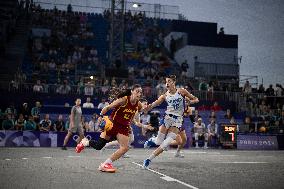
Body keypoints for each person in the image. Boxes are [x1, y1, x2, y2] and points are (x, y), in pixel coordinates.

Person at [76, 85, 153, 173]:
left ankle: (106, 164)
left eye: (140, 92)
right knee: (98, 146)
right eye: (137, 91)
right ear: (132, 91)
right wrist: (100, 116)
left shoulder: (138, 104)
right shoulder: (124, 100)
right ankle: (85, 142)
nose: (139, 93)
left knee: (125, 147)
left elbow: (133, 116)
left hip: (123, 127)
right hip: (112, 124)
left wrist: (129, 124)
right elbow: (108, 107)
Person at [143, 75, 199, 168]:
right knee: (158, 141)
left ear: (174, 82)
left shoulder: (181, 91)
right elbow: (154, 104)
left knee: (166, 143)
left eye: (169, 81)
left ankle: (148, 159)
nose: (167, 83)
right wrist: (147, 107)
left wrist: (189, 102)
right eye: (166, 82)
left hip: (178, 121)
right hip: (167, 119)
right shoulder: (165, 95)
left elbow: (196, 99)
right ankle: (152, 140)